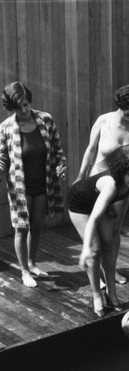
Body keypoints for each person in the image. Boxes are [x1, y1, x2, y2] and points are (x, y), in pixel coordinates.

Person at [74, 83, 129, 284]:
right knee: (96, 227)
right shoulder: (104, 121)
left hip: (121, 187)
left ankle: (111, 271)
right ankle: (94, 271)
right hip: (97, 182)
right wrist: (80, 176)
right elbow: (90, 150)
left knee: (114, 230)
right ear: (121, 103)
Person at [0, 81, 68, 288]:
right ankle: (24, 272)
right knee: (21, 228)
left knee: (37, 227)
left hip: (43, 183)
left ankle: (32, 263)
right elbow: (2, 157)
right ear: (10, 108)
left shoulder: (45, 119)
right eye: (18, 107)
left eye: (26, 105)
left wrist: (62, 165)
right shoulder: (5, 128)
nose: (23, 110)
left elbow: (58, 150)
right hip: (19, 187)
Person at [68, 151, 129, 317]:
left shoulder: (128, 185)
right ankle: (96, 294)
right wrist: (85, 250)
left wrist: (108, 205)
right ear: (121, 172)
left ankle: (112, 292)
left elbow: (105, 198)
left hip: (98, 200)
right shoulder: (112, 184)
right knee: (95, 250)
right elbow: (93, 221)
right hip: (79, 203)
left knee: (108, 244)